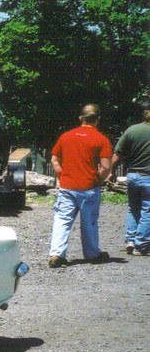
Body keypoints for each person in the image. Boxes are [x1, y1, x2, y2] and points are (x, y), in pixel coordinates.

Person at [48, 104, 112, 268]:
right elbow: (105, 167)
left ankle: (56, 254)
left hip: (67, 185)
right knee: (89, 221)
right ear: (98, 119)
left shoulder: (66, 136)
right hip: (88, 186)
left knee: (62, 219)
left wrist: (61, 175)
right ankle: (92, 254)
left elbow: (54, 159)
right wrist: (99, 180)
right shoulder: (102, 139)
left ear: (80, 118)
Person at [109, 106, 150, 256]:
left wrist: (111, 172)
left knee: (133, 208)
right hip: (148, 176)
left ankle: (130, 241)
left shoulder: (131, 130)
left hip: (132, 175)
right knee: (148, 210)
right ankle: (142, 245)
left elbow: (117, 155)